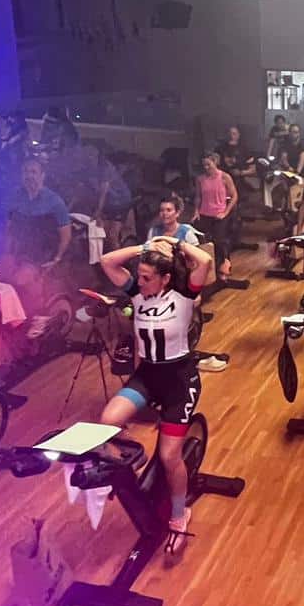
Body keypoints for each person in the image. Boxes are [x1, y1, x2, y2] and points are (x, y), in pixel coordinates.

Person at [96, 236, 216, 553]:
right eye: (140, 275)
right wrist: (146, 247)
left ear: (165, 278)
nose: (140, 282)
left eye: (147, 277)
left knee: (169, 456)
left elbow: (204, 261)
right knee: (108, 421)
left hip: (178, 381)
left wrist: (174, 243)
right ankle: (130, 468)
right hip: (148, 376)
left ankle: (179, 513)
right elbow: (107, 260)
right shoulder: (137, 295)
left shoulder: (184, 297)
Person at [5, 157, 72, 270]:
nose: (29, 176)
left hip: (44, 259)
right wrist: (7, 254)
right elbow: (9, 229)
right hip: (20, 256)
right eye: (26, 172)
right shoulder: (15, 198)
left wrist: (57, 259)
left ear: (42, 175)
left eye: (33, 172)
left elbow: (66, 235)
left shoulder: (54, 202)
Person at [193, 154, 240, 279]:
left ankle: (224, 268)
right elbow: (198, 197)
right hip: (204, 214)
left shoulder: (224, 177)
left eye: (208, 164)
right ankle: (208, 270)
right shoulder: (200, 179)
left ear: (215, 162)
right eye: (204, 165)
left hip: (219, 214)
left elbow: (234, 196)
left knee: (220, 242)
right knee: (204, 242)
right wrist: (196, 211)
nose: (206, 167)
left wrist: (226, 212)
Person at [91, 147, 134, 245]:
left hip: (120, 202)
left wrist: (99, 210)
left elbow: (104, 190)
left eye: (92, 154)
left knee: (112, 235)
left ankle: (120, 255)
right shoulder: (91, 168)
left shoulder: (105, 167)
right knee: (105, 233)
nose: (90, 157)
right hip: (111, 203)